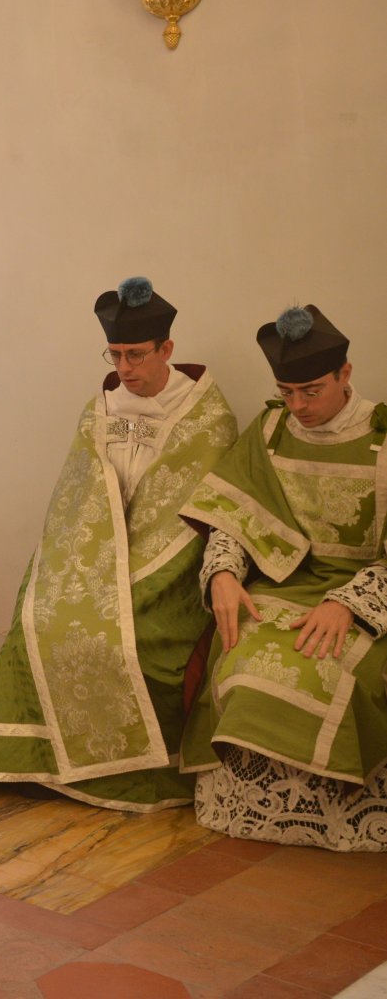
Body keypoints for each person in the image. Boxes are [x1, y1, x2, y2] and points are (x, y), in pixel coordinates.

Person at [0, 279, 238, 810]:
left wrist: (134, 573)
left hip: (165, 569)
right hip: (92, 557)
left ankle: (123, 768)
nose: (125, 367)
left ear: (166, 349)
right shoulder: (100, 409)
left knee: (131, 637)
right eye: (115, 354)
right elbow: (75, 499)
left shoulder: (207, 418)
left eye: (136, 355)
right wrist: (81, 566)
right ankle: (33, 759)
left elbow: (201, 515)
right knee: (39, 619)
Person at [180, 305, 387, 850]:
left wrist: (349, 603)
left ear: (345, 374)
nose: (298, 407)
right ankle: (259, 808)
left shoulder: (384, 437)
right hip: (283, 584)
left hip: (365, 594)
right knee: (244, 661)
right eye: (286, 392)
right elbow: (231, 518)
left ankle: (337, 811)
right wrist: (223, 573)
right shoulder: (271, 430)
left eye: (311, 391)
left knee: (325, 666)